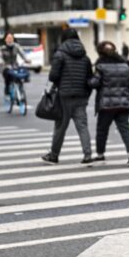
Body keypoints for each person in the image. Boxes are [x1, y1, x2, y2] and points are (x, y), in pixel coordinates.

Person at [42, 29, 93, 166]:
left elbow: (53, 76)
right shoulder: (85, 57)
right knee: (82, 126)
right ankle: (87, 155)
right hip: (81, 96)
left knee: (60, 127)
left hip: (64, 96)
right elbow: (90, 78)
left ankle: (54, 156)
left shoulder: (60, 55)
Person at [90, 41, 129, 166]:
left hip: (107, 105)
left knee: (102, 130)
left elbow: (94, 83)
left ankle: (100, 154)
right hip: (123, 104)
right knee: (125, 129)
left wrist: (88, 80)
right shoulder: (124, 65)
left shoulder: (100, 66)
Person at [0, 33, 28, 99]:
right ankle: (7, 90)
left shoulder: (16, 46)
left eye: (11, 38)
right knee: (8, 76)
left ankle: (20, 90)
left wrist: (26, 59)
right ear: (5, 39)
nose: (10, 40)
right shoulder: (2, 47)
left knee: (21, 74)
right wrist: (1, 62)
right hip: (6, 66)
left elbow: (22, 53)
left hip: (15, 65)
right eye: (8, 38)